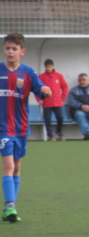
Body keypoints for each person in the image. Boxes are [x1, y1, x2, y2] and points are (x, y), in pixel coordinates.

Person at [1, 33, 52, 223]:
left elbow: (42, 93)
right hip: (3, 128)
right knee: (8, 165)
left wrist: (47, 91)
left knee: (17, 167)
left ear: (22, 52)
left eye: (14, 49)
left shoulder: (28, 73)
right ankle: (10, 206)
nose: (10, 52)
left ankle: (9, 205)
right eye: (7, 48)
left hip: (21, 127)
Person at [65, 73, 89, 140]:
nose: (82, 82)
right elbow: (71, 101)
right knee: (79, 114)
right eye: (80, 80)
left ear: (88, 80)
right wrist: (81, 106)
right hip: (79, 110)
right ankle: (88, 133)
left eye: (84, 80)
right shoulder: (73, 91)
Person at [38, 58, 69, 141]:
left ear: (53, 66)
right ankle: (50, 135)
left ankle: (59, 131)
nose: (49, 68)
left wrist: (63, 97)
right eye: (47, 67)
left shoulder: (59, 76)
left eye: (50, 67)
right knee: (47, 119)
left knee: (60, 117)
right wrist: (39, 99)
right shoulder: (41, 77)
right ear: (45, 67)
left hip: (57, 102)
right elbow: (37, 89)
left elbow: (65, 86)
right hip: (47, 102)